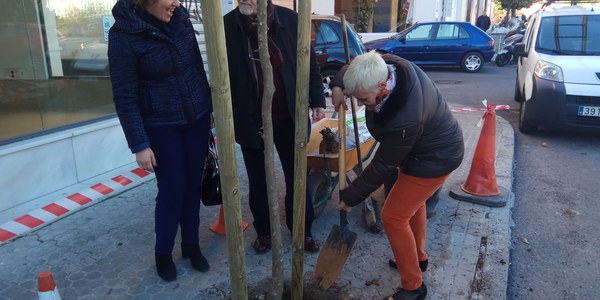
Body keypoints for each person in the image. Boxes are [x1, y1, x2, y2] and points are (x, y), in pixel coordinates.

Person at [330, 52, 464, 300]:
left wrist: (350, 196)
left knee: (392, 216)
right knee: (413, 205)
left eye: (363, 99)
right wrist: (339, 83)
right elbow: (359, 63)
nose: (359, 104)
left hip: (434, 160)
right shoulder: (389, 65)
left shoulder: (406, 118)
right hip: (421, 151)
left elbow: (382, 165)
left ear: (382, 85)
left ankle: (414, 287)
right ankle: (418, 257)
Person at [108, 0, 213, 282]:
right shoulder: (123, 35)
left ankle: (191, 245)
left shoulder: (180, 19)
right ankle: (163, 253)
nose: (177, 3)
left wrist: (209, 110)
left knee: (193, 185)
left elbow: (196, 69)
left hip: (197, 119)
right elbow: (125, 95)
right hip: (161, 126)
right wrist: (139, 144)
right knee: (172, 191)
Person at [223, 0, 326, 254]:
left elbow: (309, 62)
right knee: (258, 181)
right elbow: (220, 75)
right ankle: (265, 232)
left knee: (297, 177)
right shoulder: (226, 26)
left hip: (290, 116)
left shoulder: (291, 21)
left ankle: (302, 230)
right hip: (250, 119)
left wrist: (317, 99)